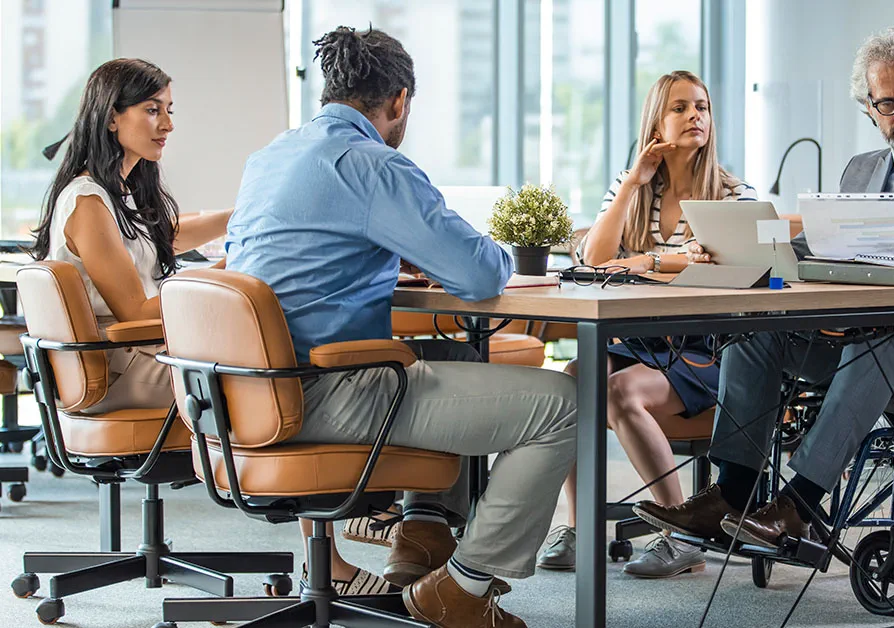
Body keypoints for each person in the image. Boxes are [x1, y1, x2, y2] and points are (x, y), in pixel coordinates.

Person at [633, 26, 894, 551]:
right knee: (755, 334)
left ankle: (797, 507)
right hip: (869, 335)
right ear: (869, 108)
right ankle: (731, 496)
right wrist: (748, 253)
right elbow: (823, 251)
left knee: (883, 334)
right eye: (886, 105)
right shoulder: (862, 169)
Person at [225, 26, 576, 627]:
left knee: (458, 358)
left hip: (244, 392)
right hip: (322, 393)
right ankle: (462, 590)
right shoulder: (373, 165)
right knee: (562, 404)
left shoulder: (271, 157)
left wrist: (387, 247)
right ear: (400, 100)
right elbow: (480, 273)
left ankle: (424, 532)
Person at [537, 71, 756, 579]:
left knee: (619, 392)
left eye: (701, 106)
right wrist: (633, 184)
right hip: (643, 340)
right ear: (656, 123)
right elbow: (594, 259)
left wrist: (644, 262)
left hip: (709, 348)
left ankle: (681, 536)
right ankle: (581, 527)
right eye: (680, 107)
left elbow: (727, 266)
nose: (695, 115)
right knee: (573, 379)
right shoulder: (634, 188)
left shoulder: (732, 195)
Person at [29, 58, 231, 415]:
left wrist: (241, 218)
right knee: (254, 376)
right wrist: (233, 267)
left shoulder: (115, 191)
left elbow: (160, 239)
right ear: (111, 118)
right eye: (152, 110)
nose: (168, 124)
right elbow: (136, 314)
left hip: (133, 357)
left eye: (168, 110)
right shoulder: (88, 202)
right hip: (119, 368)